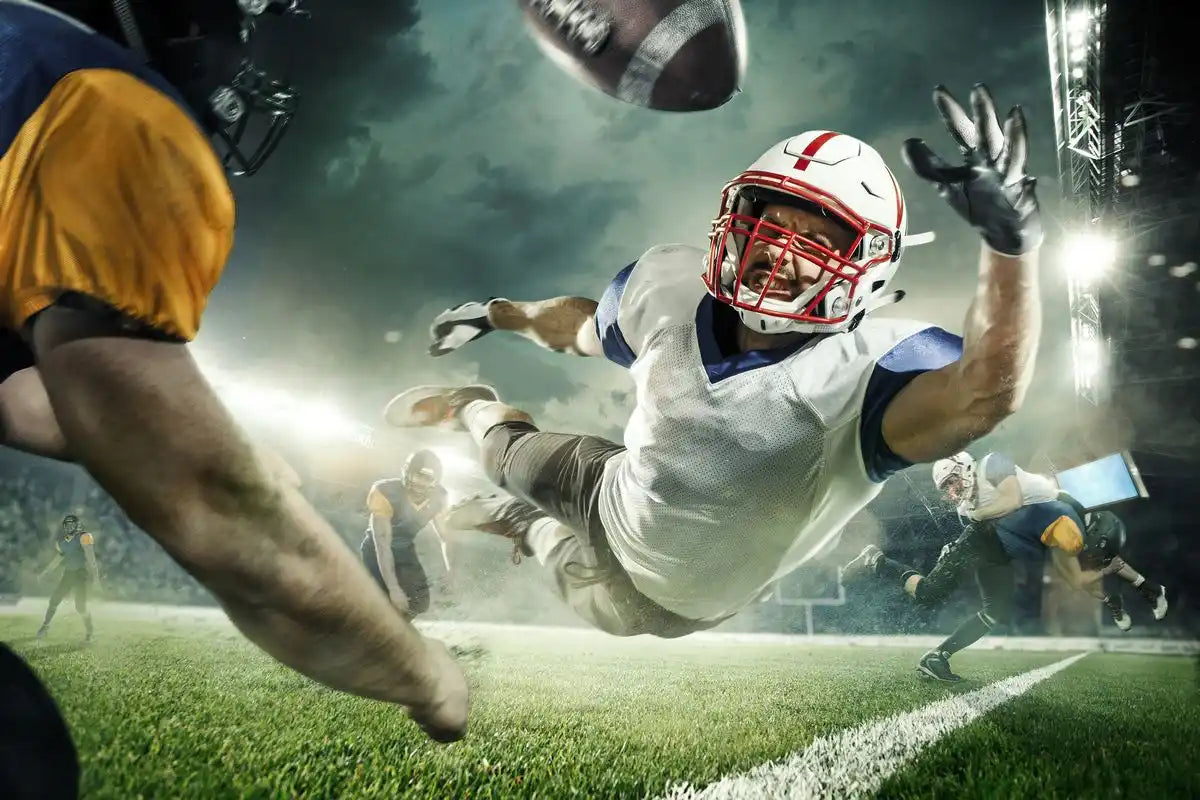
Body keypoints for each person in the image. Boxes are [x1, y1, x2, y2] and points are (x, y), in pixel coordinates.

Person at [387, 83, 1045, 640]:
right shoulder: (670, 285)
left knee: (568, 568)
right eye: (771, 224)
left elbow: (985, 392)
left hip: (670, 599)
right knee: (502, 450)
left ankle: (519, 524)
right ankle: (472, 406)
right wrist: (492, 314)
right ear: (735, 220)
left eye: (816, 240)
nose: (780, 253)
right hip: (610, 486)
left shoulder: (869, 370)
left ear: (868, 268)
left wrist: (1010, 250)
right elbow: (580, 327)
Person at [0, 0, 464, 740]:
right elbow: (212, 507)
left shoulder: (17, 56)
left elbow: (31, 399)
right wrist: (420, 671)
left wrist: (206, 434)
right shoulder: (98, 102)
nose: (236, 49)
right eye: (231, 17)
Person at [845, 451, 1093, 681]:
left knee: (995, 612)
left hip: (1000, 541)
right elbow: (976, 533)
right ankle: (876, 560)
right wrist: (956, 545)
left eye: (952, 482)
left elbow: (1013, 500)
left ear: (963, 466)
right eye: (946, 488)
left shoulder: (992, 464)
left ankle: (937, 658)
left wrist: (980, 519)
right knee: (928, 593)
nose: (951, 492)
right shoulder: (966, 509)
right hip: (989, 542)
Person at [362, 450, 453, 617]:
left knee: (420, 602)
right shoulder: (385, 492)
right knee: (382, 599)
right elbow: (382, 545)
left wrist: (451, 571)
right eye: (418, 475)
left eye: (427, 478)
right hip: (375, 550)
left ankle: (397, 630)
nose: (420, 483)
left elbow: (446, 537)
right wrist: (393, 588)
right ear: (406, 472)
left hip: (404, 549)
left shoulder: (439, 498)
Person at [35, 514, 101, 642]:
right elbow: (57, 560)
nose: (70, 527)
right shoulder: (62, 541)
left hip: (81, 574)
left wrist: (96, 578)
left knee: (80, 606)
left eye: (72, 524)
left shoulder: (84, 537)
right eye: (67, 525)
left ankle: (90, 631)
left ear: (77, 525)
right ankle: (45, 625)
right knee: (54, 600)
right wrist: (45, 572)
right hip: (69, 573)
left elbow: (91, 558)